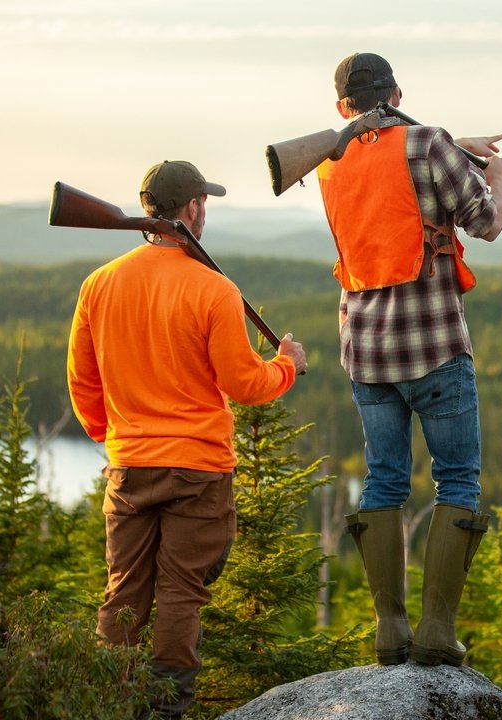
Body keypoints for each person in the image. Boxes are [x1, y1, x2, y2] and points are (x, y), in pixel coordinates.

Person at [67, 160, 308, 719]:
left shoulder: (98, 284)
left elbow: (83, 382)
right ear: (193, 207)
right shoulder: (214, 289)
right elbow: (244, 385)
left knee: (123, 593)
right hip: (198, 472)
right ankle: (167, 709)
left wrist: (118, 439)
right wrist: (286, 365)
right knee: (181, 593)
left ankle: (108, 702)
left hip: (129, 468)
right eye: (206, 203)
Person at [321, 51, 502, 668]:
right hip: (433, 344)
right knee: (456, 480)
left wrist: (452, 141)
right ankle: (436, 633)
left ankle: (389, 631)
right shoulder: (427, 144)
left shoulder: (329, 158)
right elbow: (485, 222)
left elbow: (387, 161)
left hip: (367, 351)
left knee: (384, 482)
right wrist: (499, 177)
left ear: (340, 107)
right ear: (399, 89)